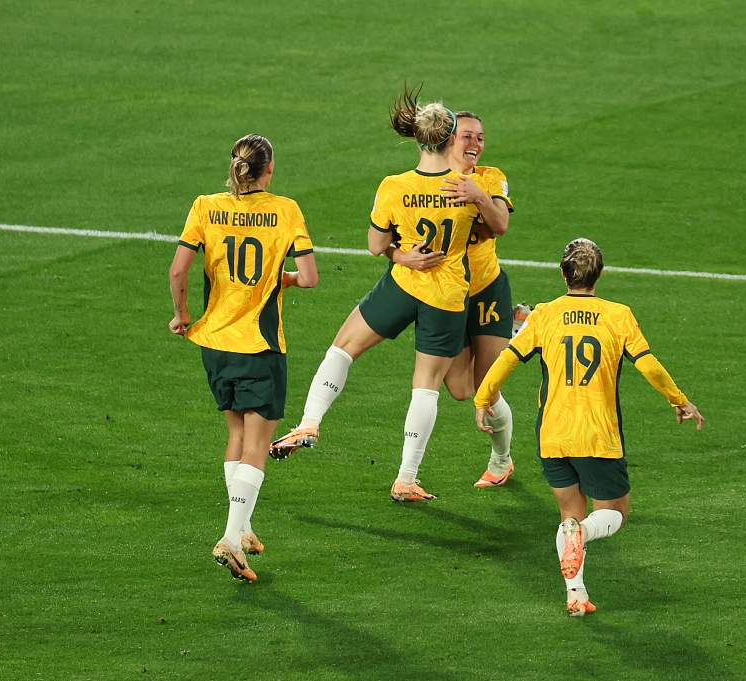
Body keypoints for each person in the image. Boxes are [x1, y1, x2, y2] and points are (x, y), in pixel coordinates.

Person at [270, 86, 503, 502]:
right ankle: (405, 478)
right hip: (446, 294)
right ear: (450, 140)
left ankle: (309, 420)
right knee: (427, 386)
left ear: (418, 138)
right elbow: (495, 228)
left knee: (342, 349)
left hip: (402, 282)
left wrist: (402, 255)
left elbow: (376, 245)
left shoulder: (393, 186)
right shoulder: (466, 189)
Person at [473, 238, 704, 616]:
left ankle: (575, 595)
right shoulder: (619, 315)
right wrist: (680, 400)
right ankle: (584, 535)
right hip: (598, 434)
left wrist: (483, 399)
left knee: (569, 514)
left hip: (552, 432)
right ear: (600, 275)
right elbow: (648, 365)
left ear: (563, 273)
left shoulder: (544, 315)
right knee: (615, 514)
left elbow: (507, 358)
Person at [168, 134, 318, 582]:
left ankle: (245, 527)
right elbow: (308, 278)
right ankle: (231, 538)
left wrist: (181, 316)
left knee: (236, 432)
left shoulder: (204, 205)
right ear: (268, 170)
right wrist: (282, 280)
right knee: (258, 445)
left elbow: (178, 269)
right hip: (259, 345)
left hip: (213, 342)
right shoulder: (285, 209)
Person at [389, 111, 518, 488]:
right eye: (466, 136)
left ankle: (501, 459)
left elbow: (500, 226)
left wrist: (478, 195)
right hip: (450, 298)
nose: (475, 144)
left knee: (488, 388)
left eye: (480, 137)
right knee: (462, 391)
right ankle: (520, 328)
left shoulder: (491, 178)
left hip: (487, 291)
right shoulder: (428, 184)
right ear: (448, 140)